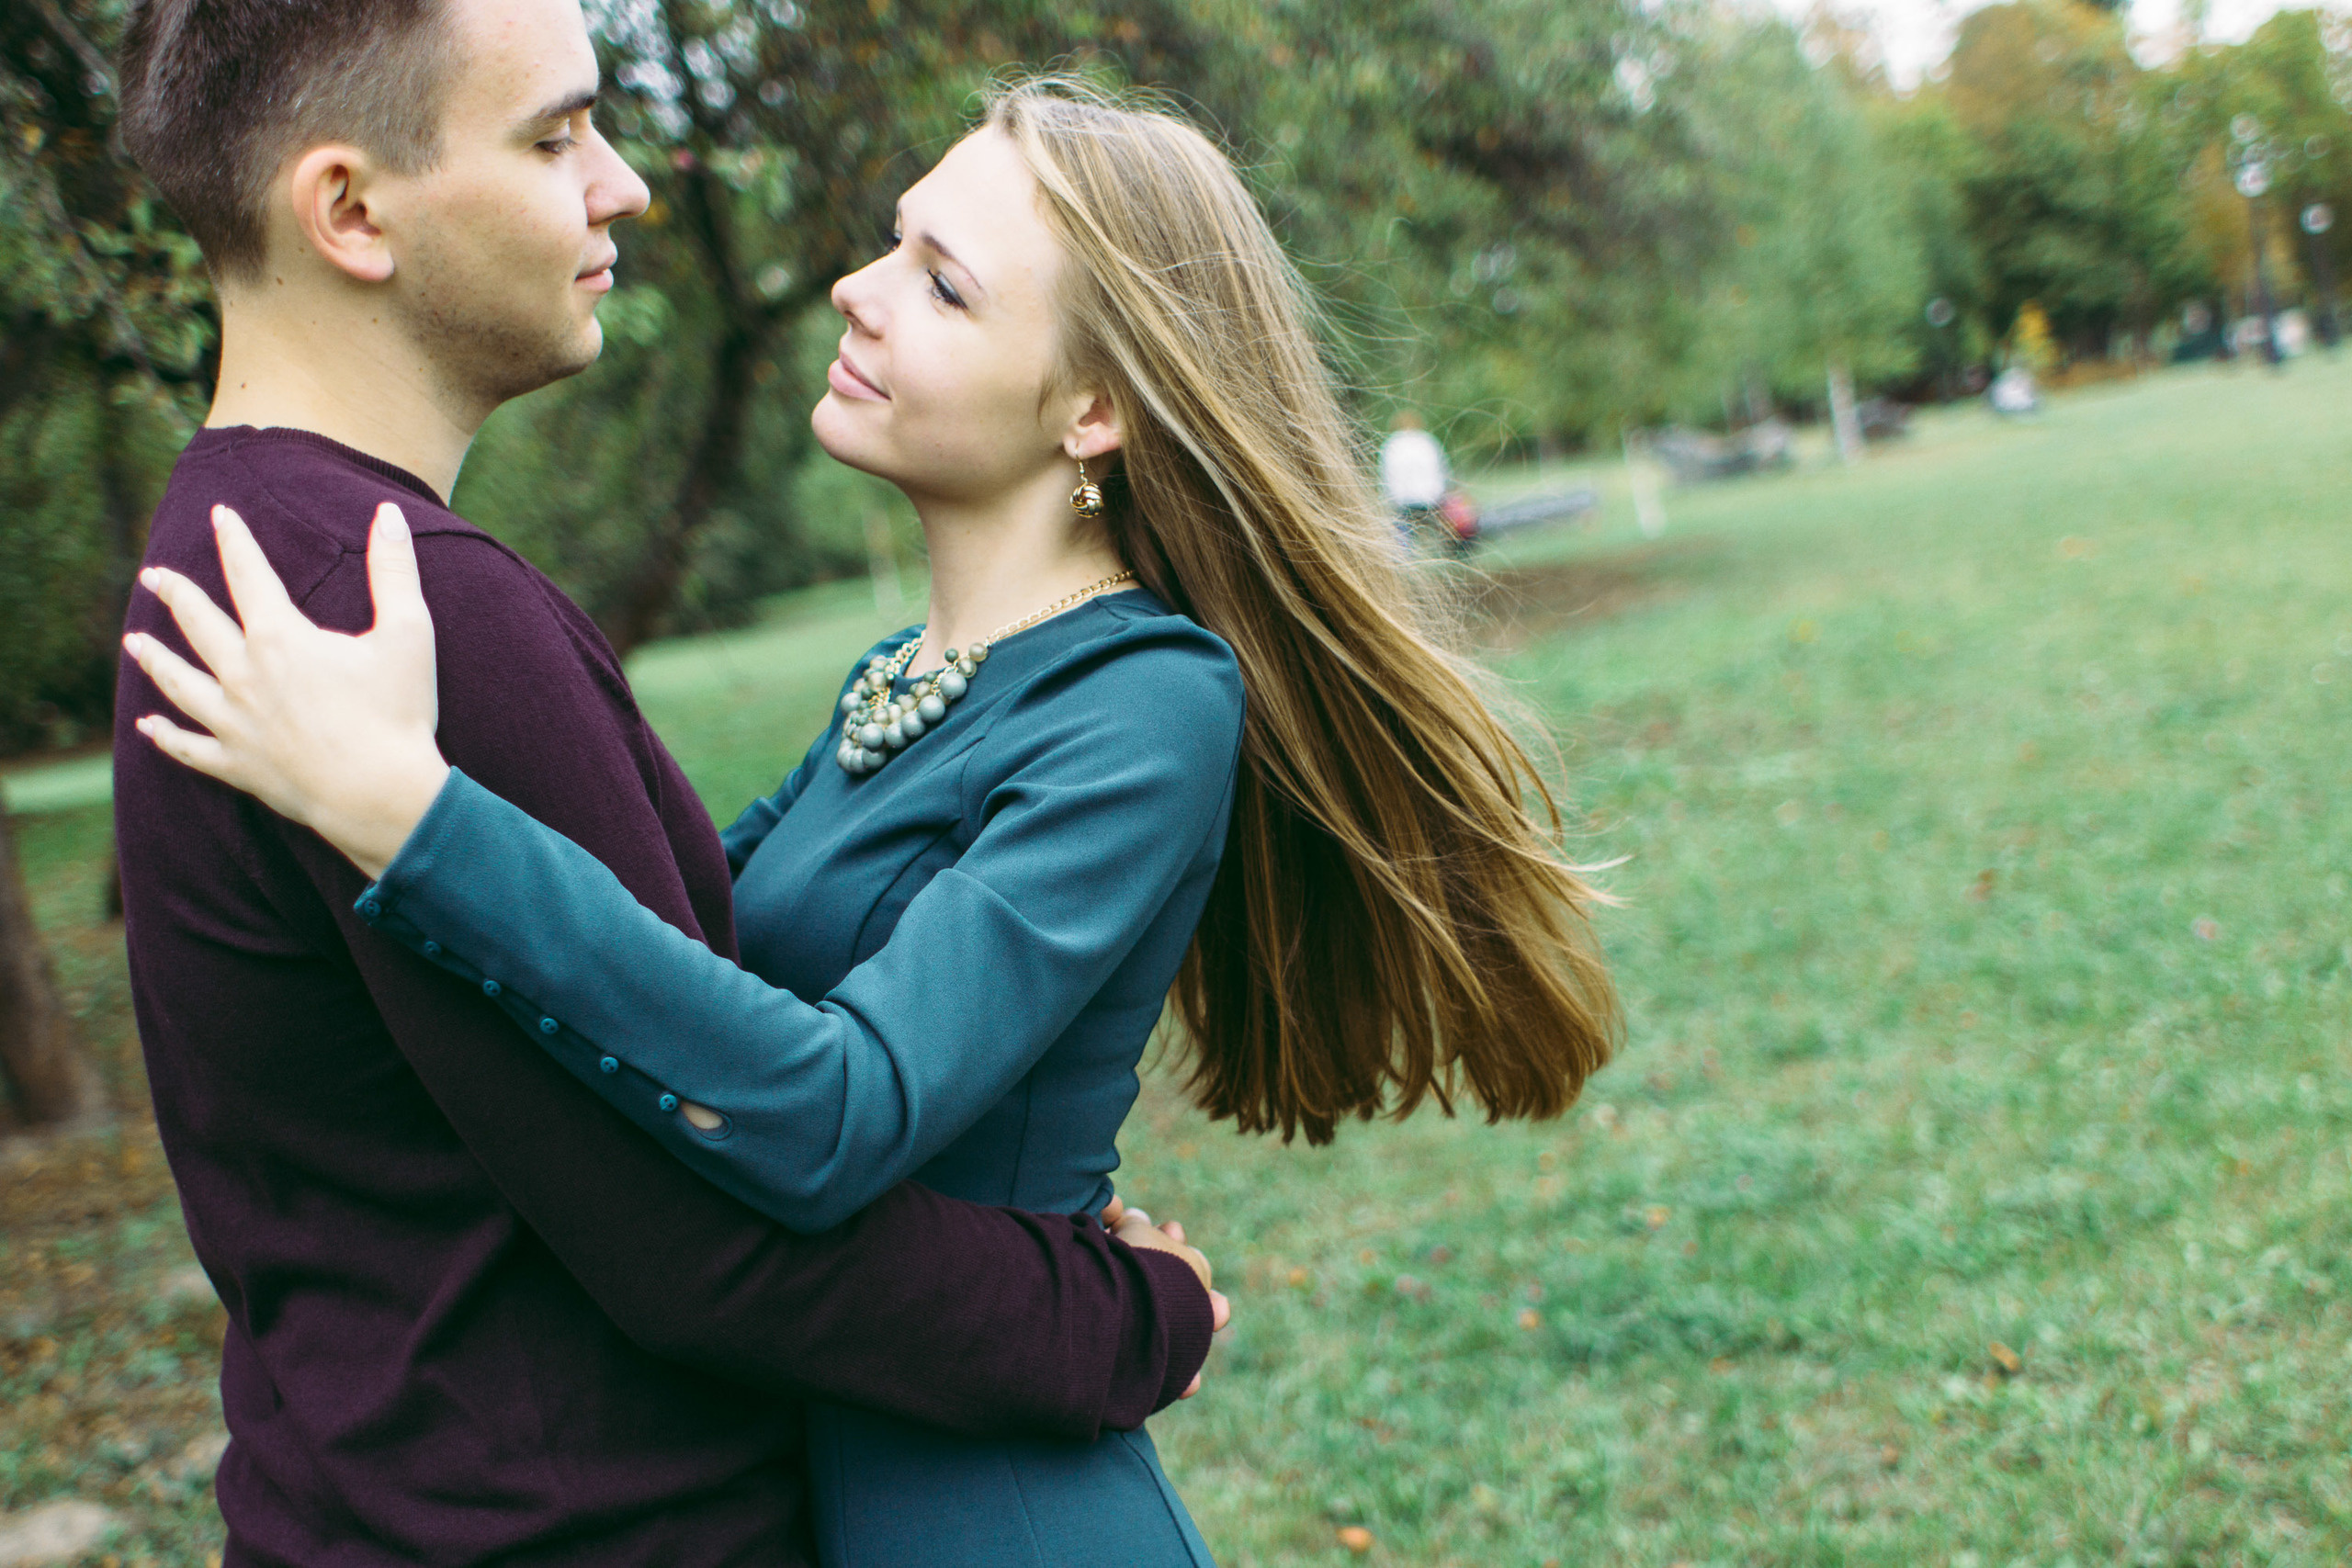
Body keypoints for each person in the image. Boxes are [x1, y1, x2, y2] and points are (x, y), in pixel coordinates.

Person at [126, 78, 1622, 1568]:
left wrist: (414, 817)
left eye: (942, 282)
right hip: (840, 1459)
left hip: (993, 1512)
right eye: (894, 242)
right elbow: (684, 954)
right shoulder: (898, 680)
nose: (857, 286)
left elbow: (839, 1105)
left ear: (1093, 409)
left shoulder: (1146, 701)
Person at [107, 6, 1220, 1566]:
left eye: (943, 277)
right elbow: (716, 1241)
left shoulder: (251, 554)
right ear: (350, 210)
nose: (625, 182)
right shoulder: (387, 611)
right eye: (554, 134)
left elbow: (711, 1017)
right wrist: (1126, 1312)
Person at [1378, 409, 1453, 548]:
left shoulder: (1392, 444)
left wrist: (1391, 499)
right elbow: (1442, 470)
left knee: (1404, 533)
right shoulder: (1428, 441)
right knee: (1433, 534)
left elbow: (1388, 477)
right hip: (1430, 498)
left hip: (1403, 500)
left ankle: (1405, 553)